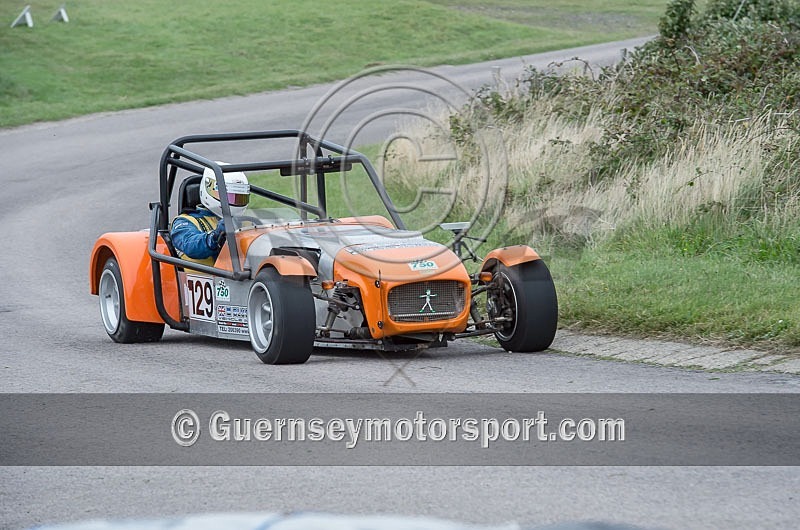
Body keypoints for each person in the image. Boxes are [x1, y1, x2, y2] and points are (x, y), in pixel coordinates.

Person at [171, 167, 250, 267]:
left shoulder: (246, 223)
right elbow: (190, 246)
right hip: (205, 279)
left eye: (239, 197)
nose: (235, 201)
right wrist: (215, 237)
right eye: (230, 196)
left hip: (242, 276)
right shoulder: (184, 222)